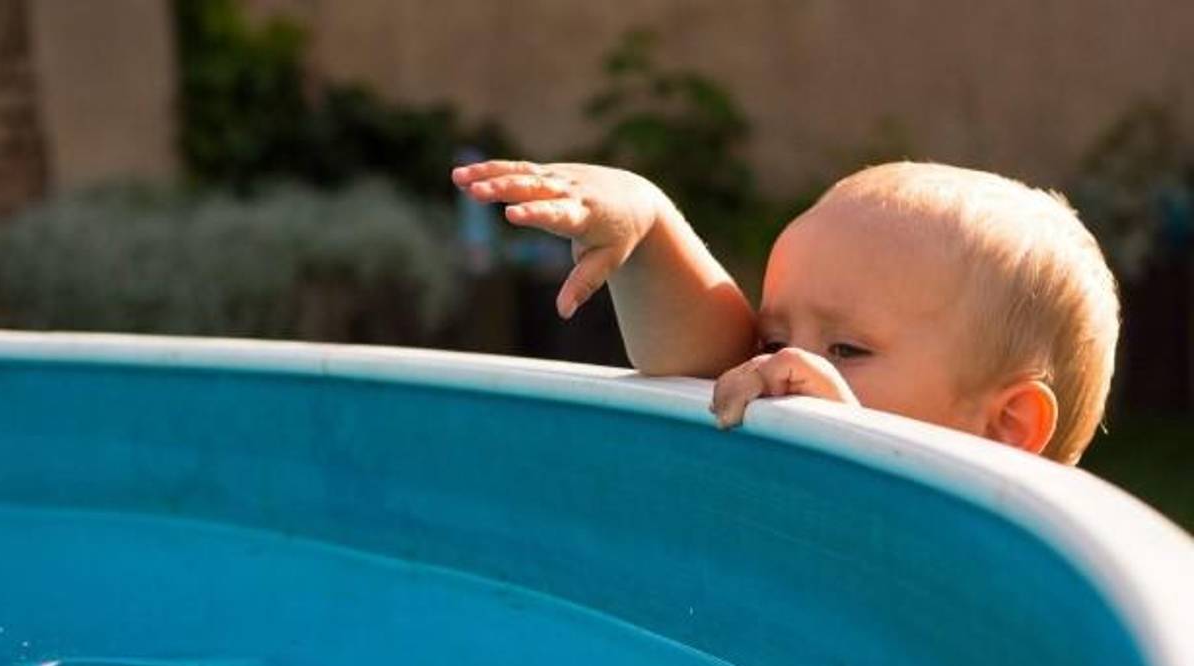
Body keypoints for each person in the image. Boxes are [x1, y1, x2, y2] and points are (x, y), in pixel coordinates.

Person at [451, 159, 1119, 465]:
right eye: (772, 338)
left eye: (848, 351)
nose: (783, 367)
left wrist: (849, 440)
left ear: (1004, 426)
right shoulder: (769, 404)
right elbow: (696, 361)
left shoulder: (1010, 576)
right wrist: (650, 228)